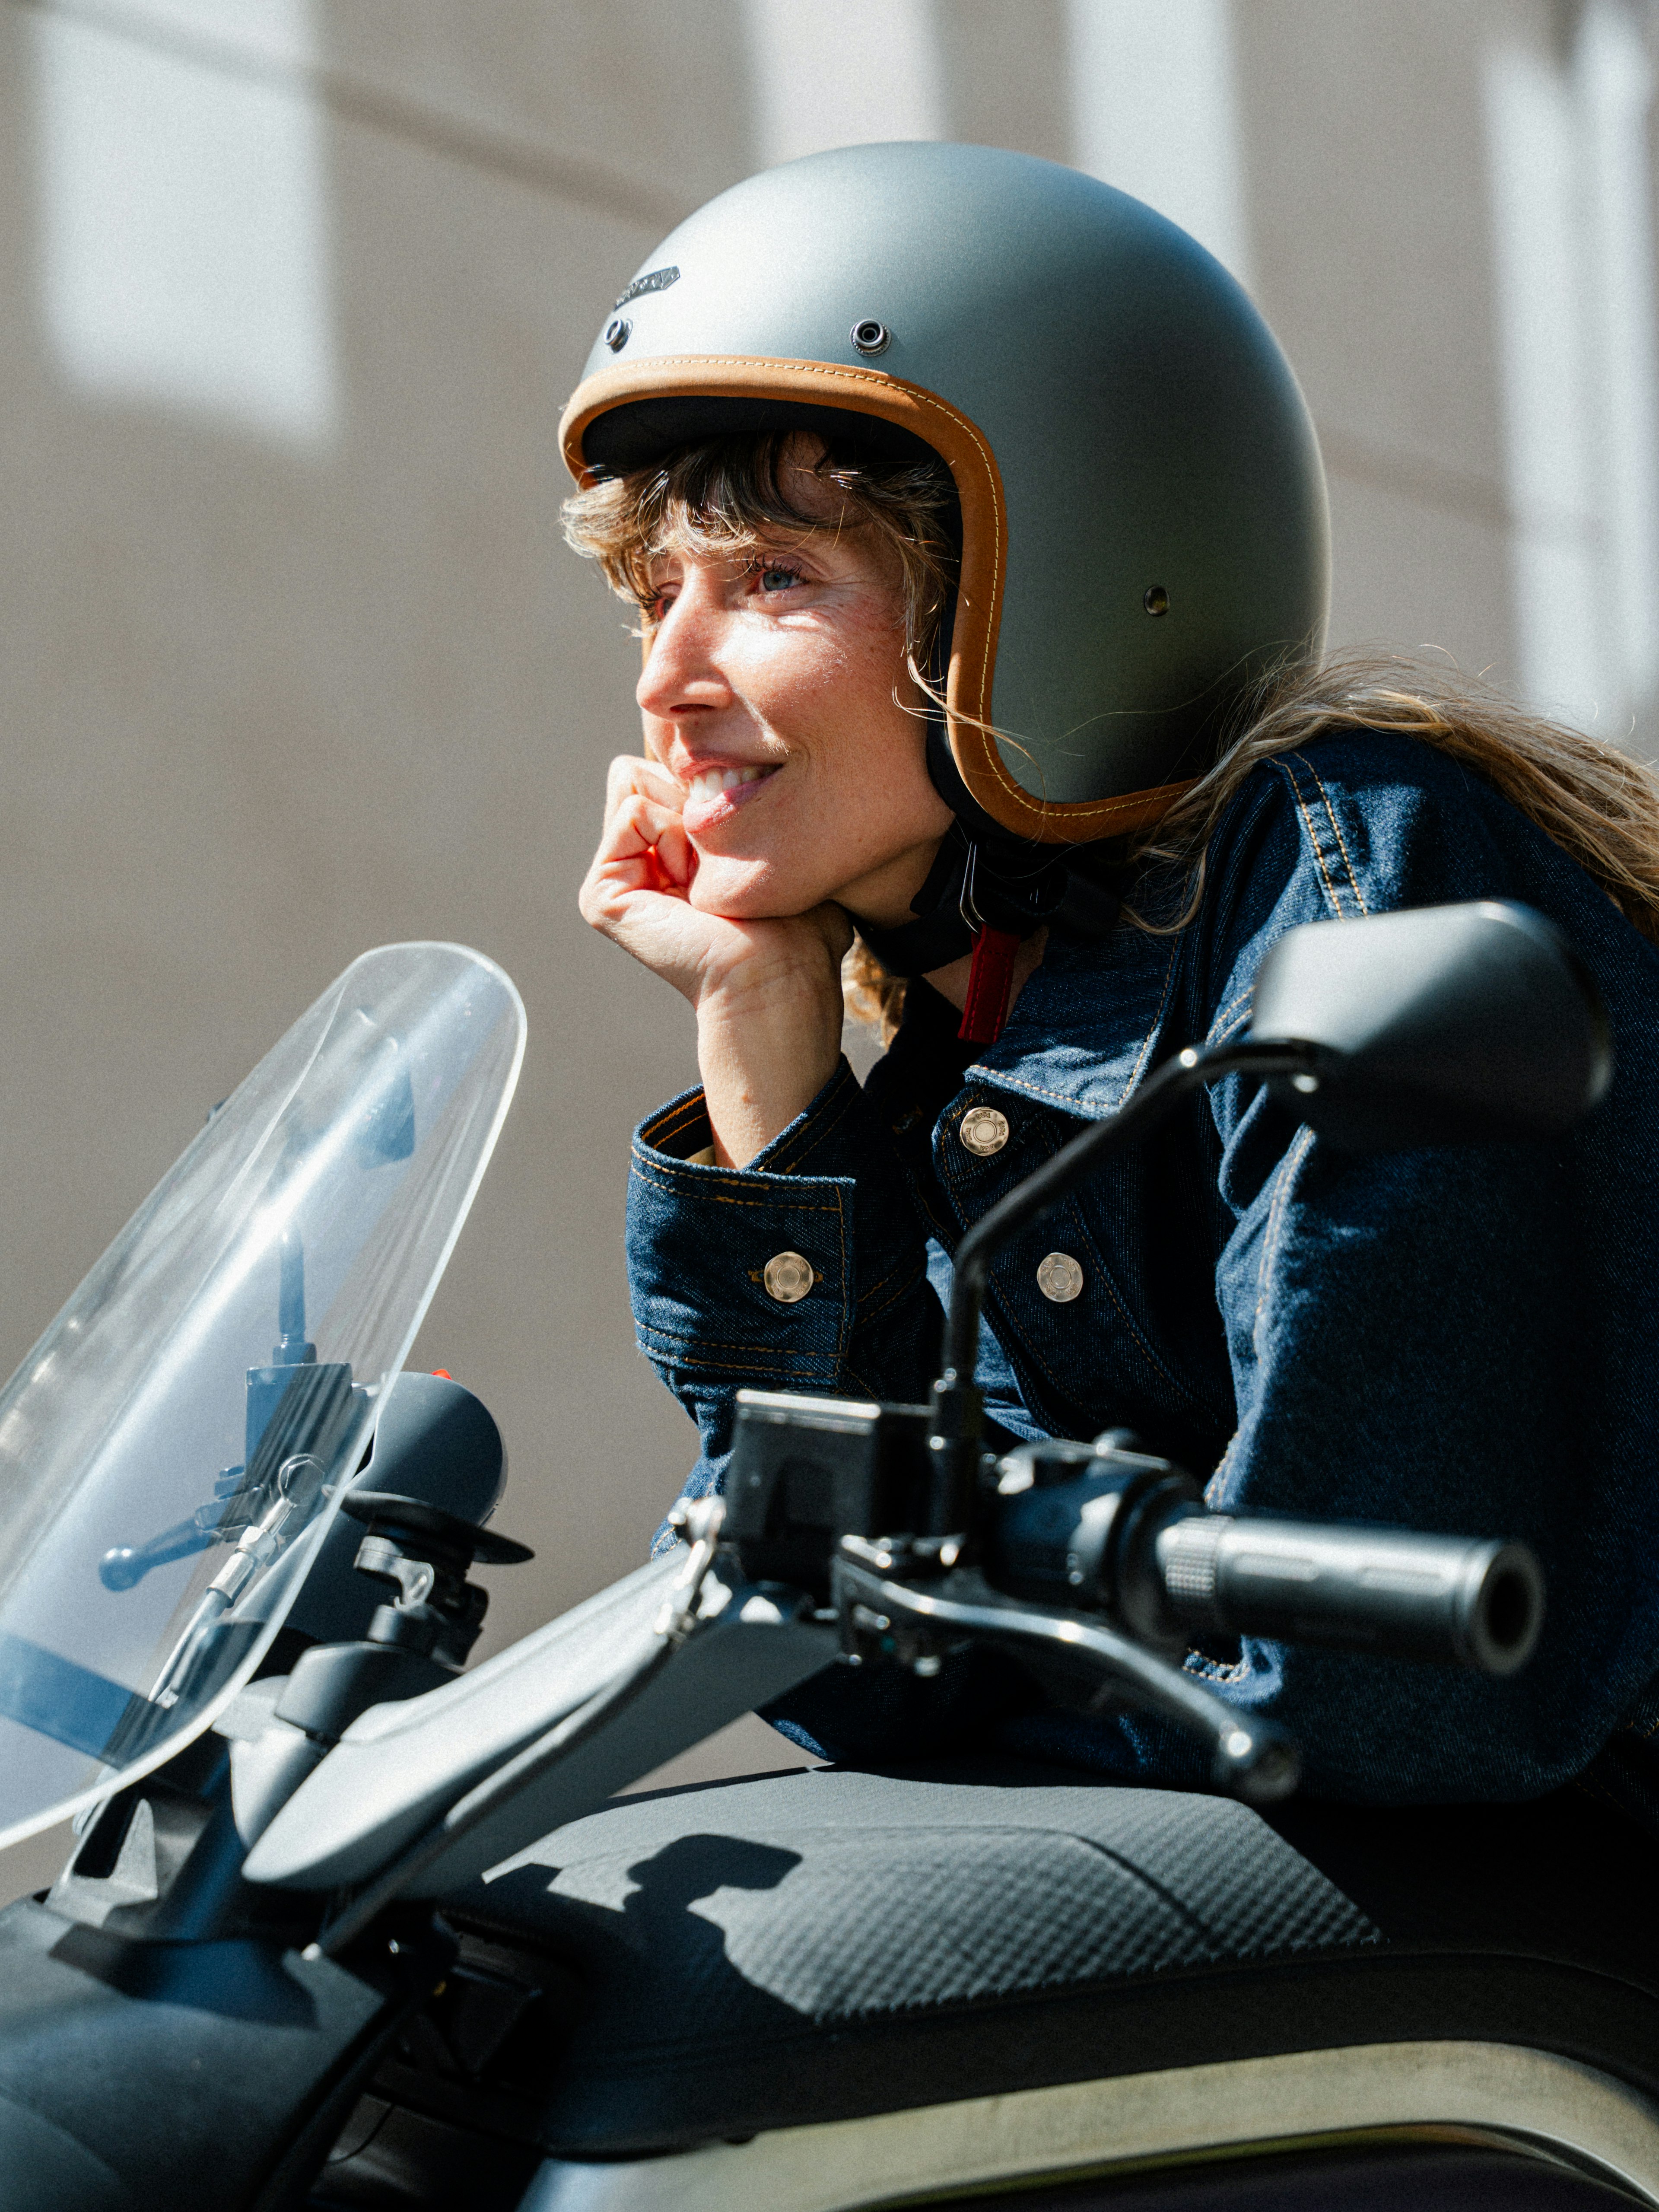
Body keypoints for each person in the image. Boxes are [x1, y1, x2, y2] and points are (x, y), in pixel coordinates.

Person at [563, 142, 1659, 1815]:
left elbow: (1377, 1697)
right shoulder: (972, 1037)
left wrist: (986, 1655)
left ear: (1063, 576)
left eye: (773, 578)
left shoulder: (1350, 885)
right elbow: (823, 1635)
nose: (667, 676)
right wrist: (761, 1035)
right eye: (654, 594)